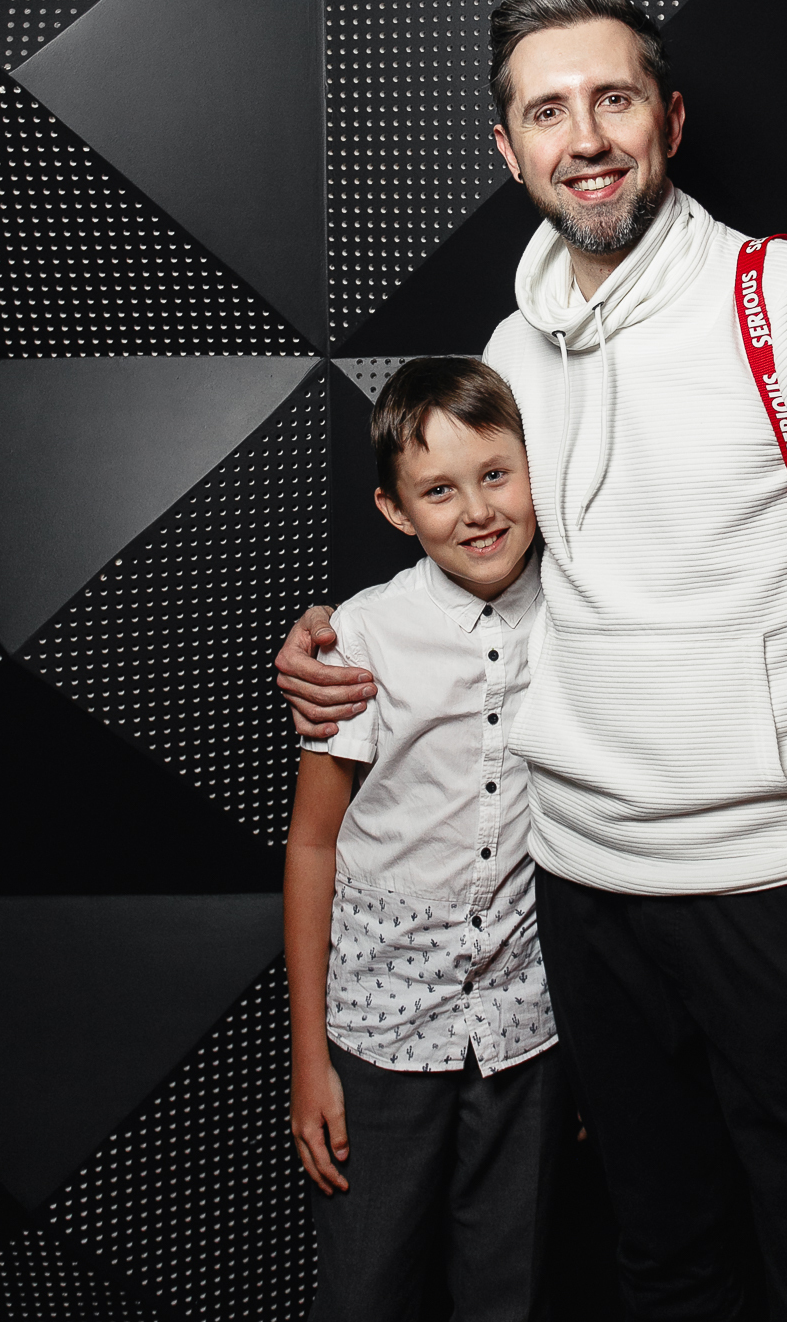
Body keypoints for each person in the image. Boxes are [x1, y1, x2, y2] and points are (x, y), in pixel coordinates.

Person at [278, 0, 787, 1321]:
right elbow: (509, 566)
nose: (585, 138)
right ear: (509, 151)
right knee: (661, 1266)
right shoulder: (515, 349)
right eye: (546, 111)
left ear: (668, 120)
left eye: (613, 99)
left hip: (786, 893)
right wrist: (341, 639)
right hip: (581, 898)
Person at [284, 356, 567, 1322]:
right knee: (367, 1291)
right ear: (396, 511)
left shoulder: (582, 609)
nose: (478, 511)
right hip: (380, 1030)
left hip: (527, 1028)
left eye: (496, 475)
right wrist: (310, 1060)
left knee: (511, 1293)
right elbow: (313, 845)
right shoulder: (362, 638)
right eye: (438, 490)